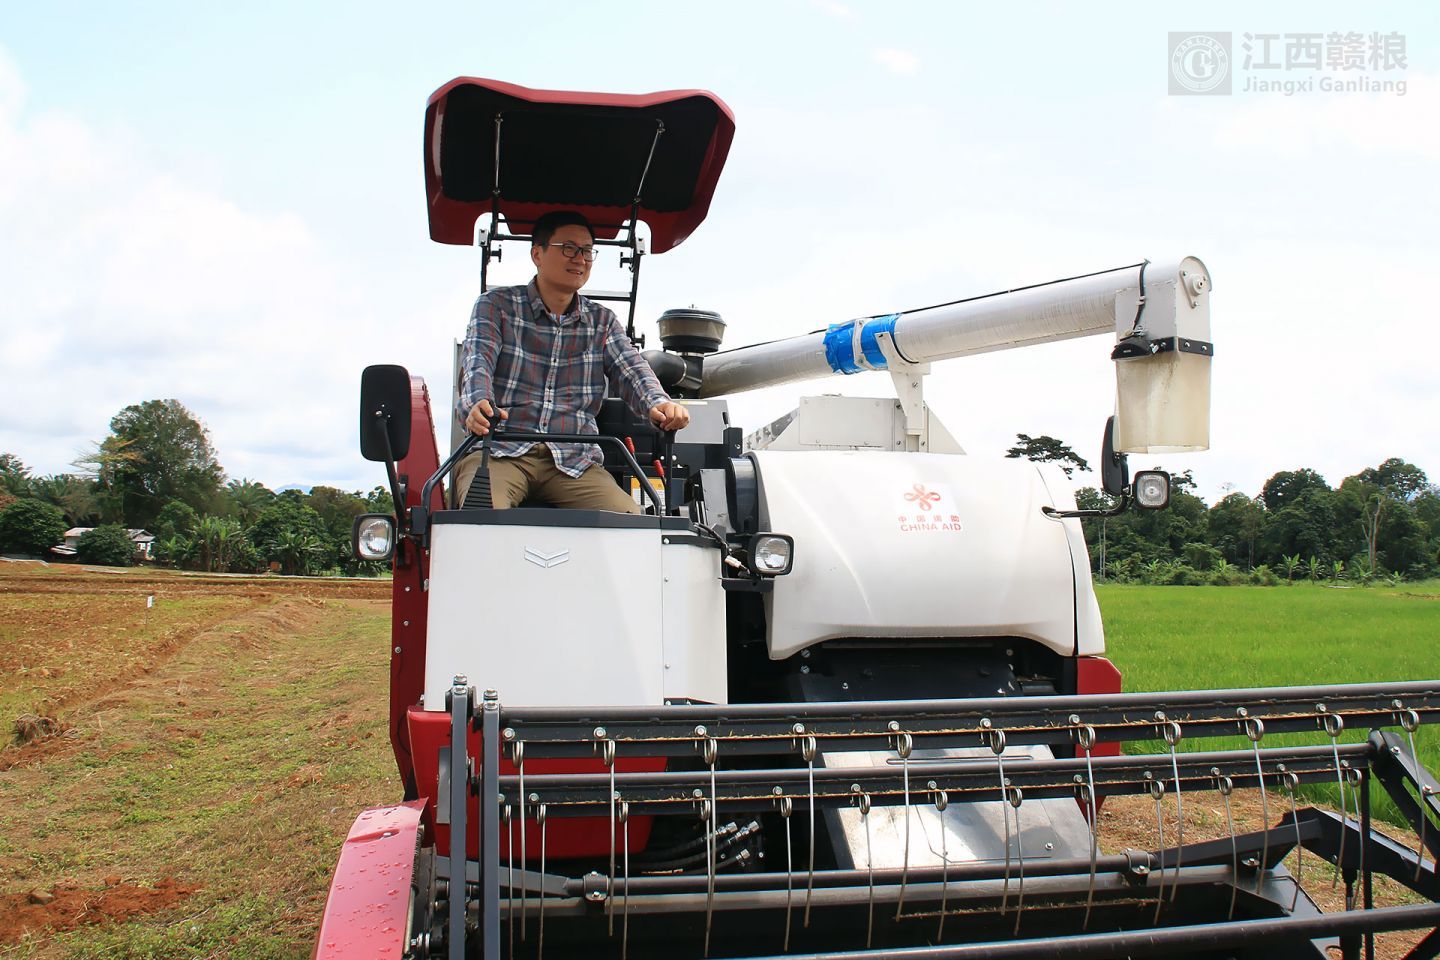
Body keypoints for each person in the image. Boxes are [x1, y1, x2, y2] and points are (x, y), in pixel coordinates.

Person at [453, 211, 690, 513]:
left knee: (630, 523)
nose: (580, 259)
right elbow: (478, 362)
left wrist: (659, 403)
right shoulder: (496, 306)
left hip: (575, 461)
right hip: (501, 450)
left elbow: (632, 370)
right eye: (568, 248)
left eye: (587, 251)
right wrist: (476, 405)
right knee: (481, 516)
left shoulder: (602, 322)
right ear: (537, 254)